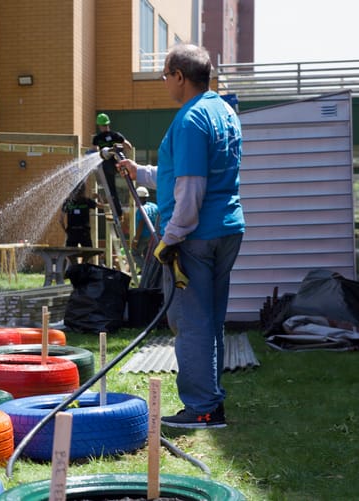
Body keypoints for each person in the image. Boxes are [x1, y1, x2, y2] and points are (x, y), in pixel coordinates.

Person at [117, 44, 245, 429]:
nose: (164, 83)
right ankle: (211, 400)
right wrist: (140, 172)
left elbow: (191, 188)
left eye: (165, 75)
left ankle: (202, 408)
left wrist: (170, 239)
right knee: (210, 320)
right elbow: (182, 175)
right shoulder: (223, 111)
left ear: (179, 76)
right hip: (226, 230)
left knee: (190, 322)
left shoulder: (190, 120)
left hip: (196, 237)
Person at [92, 113, 133, 219]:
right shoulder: (116, 135)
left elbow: (94, 151)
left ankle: (118, 213)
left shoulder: (97, 138)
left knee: (111, 190)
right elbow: (128, 145)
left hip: (106, 166)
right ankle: (117, 213)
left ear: (99, 126)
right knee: (122, 186)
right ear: (108, 124)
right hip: (118, 164)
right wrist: (125, 155)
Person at [60, 182, 97, 247]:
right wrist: (99, 197)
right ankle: (86, 257)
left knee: (70, 255)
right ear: (83, 191)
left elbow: (61, 220)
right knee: (88, 254)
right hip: (84, 232)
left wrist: (66, 231)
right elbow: (103, 206)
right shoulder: (87, 201)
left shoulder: (67, 202)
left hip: (72, 232)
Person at [131, 186, 159, 270]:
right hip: (154, 236)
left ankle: (146, 271)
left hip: (143, 236)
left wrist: (136, 240)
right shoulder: (154, 206)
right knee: (148, 255)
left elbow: (141, 224)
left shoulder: (141, 209)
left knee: (135, 253)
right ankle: (150, 271)